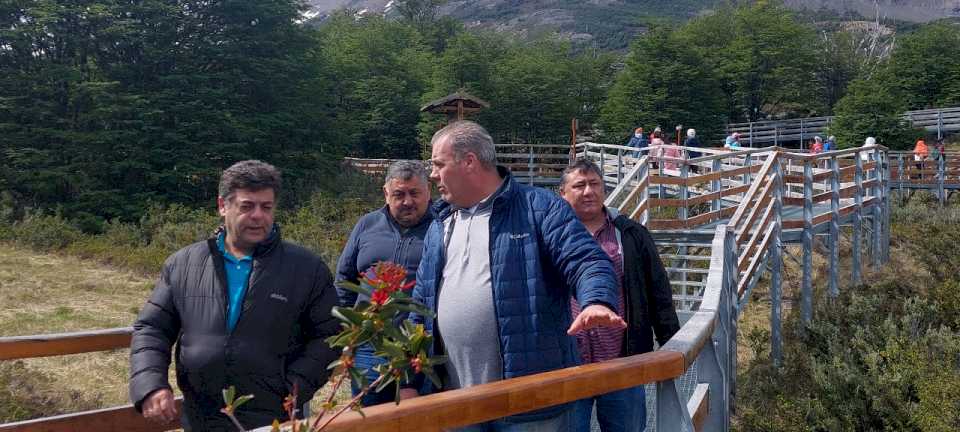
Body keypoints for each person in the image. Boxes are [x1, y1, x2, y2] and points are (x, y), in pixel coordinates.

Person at [409, 120, 625, 431]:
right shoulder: (439, 223)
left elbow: (588, 261)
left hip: (528, 406)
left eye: (438, 164)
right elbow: (421, 307)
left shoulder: (539, 208)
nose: (432, 174)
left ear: (468, 162)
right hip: (455, 403)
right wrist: (410, 379)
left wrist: (596, 300)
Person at [129, 160, 340, 430]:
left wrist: (293, 387)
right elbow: (152, 328)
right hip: (201, 416)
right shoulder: (183, 264)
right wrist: (151, 385)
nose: (258, 216)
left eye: (266, 207)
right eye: (247, 206)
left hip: (273, 416)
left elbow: (329, 335)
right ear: (222, 206)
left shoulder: (306, 268)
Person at [559, 160, 680, 432]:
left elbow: (657, 289)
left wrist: (672, 344)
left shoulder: (630, 234)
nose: (588, 191)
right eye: (579, 185)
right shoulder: (551, 237)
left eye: (595, 184)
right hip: (567, 365)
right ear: (563, 193)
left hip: (622, 361)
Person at [336, 160, 433, 406]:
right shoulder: (367, 224)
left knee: (420, 421)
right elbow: (344, 280)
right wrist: (348, 334)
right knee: (371, 418)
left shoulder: (441, 227)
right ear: (386, 193)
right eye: (399, 194)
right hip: (371, 344)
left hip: (421, 346)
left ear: (428, 192)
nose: (407, 201)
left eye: (414, 193)